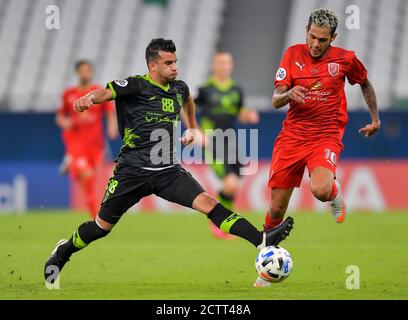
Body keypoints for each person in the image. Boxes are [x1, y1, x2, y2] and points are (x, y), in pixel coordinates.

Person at [44, 39, 294, 285]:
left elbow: (187, 102)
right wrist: (89, 97)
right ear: (153, 66)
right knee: (101, 227)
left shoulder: (179, 88)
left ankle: (262, 240)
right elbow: (106, 92)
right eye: (168, 63)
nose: (175, 67)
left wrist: (193, 128)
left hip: (168, 172)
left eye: (176, 62)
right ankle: (63, 252)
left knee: (209, 203)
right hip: (132, 171)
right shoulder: (135, 85)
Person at [254, 8, 381, 288]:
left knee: (321, 190)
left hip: (325, 134)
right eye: (312, 36)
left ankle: (334, 193)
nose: (315, 44)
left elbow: (365, 83)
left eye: (322, 40)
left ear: (333, 37)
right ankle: (265, 266)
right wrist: (288, 94)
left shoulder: (346, 59)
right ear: (306, 31)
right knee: (276, 209)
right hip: (292, 137)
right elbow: (275, 100)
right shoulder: (292, 53)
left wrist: (375, 118)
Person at [195, 51, 259, 239]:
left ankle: (224, 221)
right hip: (212, 141)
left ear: (230, 66)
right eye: (219, 63)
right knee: (230, 183)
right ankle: (219, 221)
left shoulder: (236, 90)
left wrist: (248, 116)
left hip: (230, 141)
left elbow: (239, 113)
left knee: (234, 185)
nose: (223, 66)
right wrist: (195, 130)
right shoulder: (205, 89)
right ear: (213, 66)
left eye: (226, 63)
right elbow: (186, 106)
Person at [56, 60, 118, 218]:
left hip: (95, 144)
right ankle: (96, 219)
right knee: (87, 177)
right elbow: (60, 117)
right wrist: (65, 122)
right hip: (75, 143)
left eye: (88, 70)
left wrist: (112, 126)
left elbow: (109, 112)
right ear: (78, 73)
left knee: (90, 178)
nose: (86, 73)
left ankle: (70, 164)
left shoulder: (97, 92)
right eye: (83, 70)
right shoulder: (68, 94)